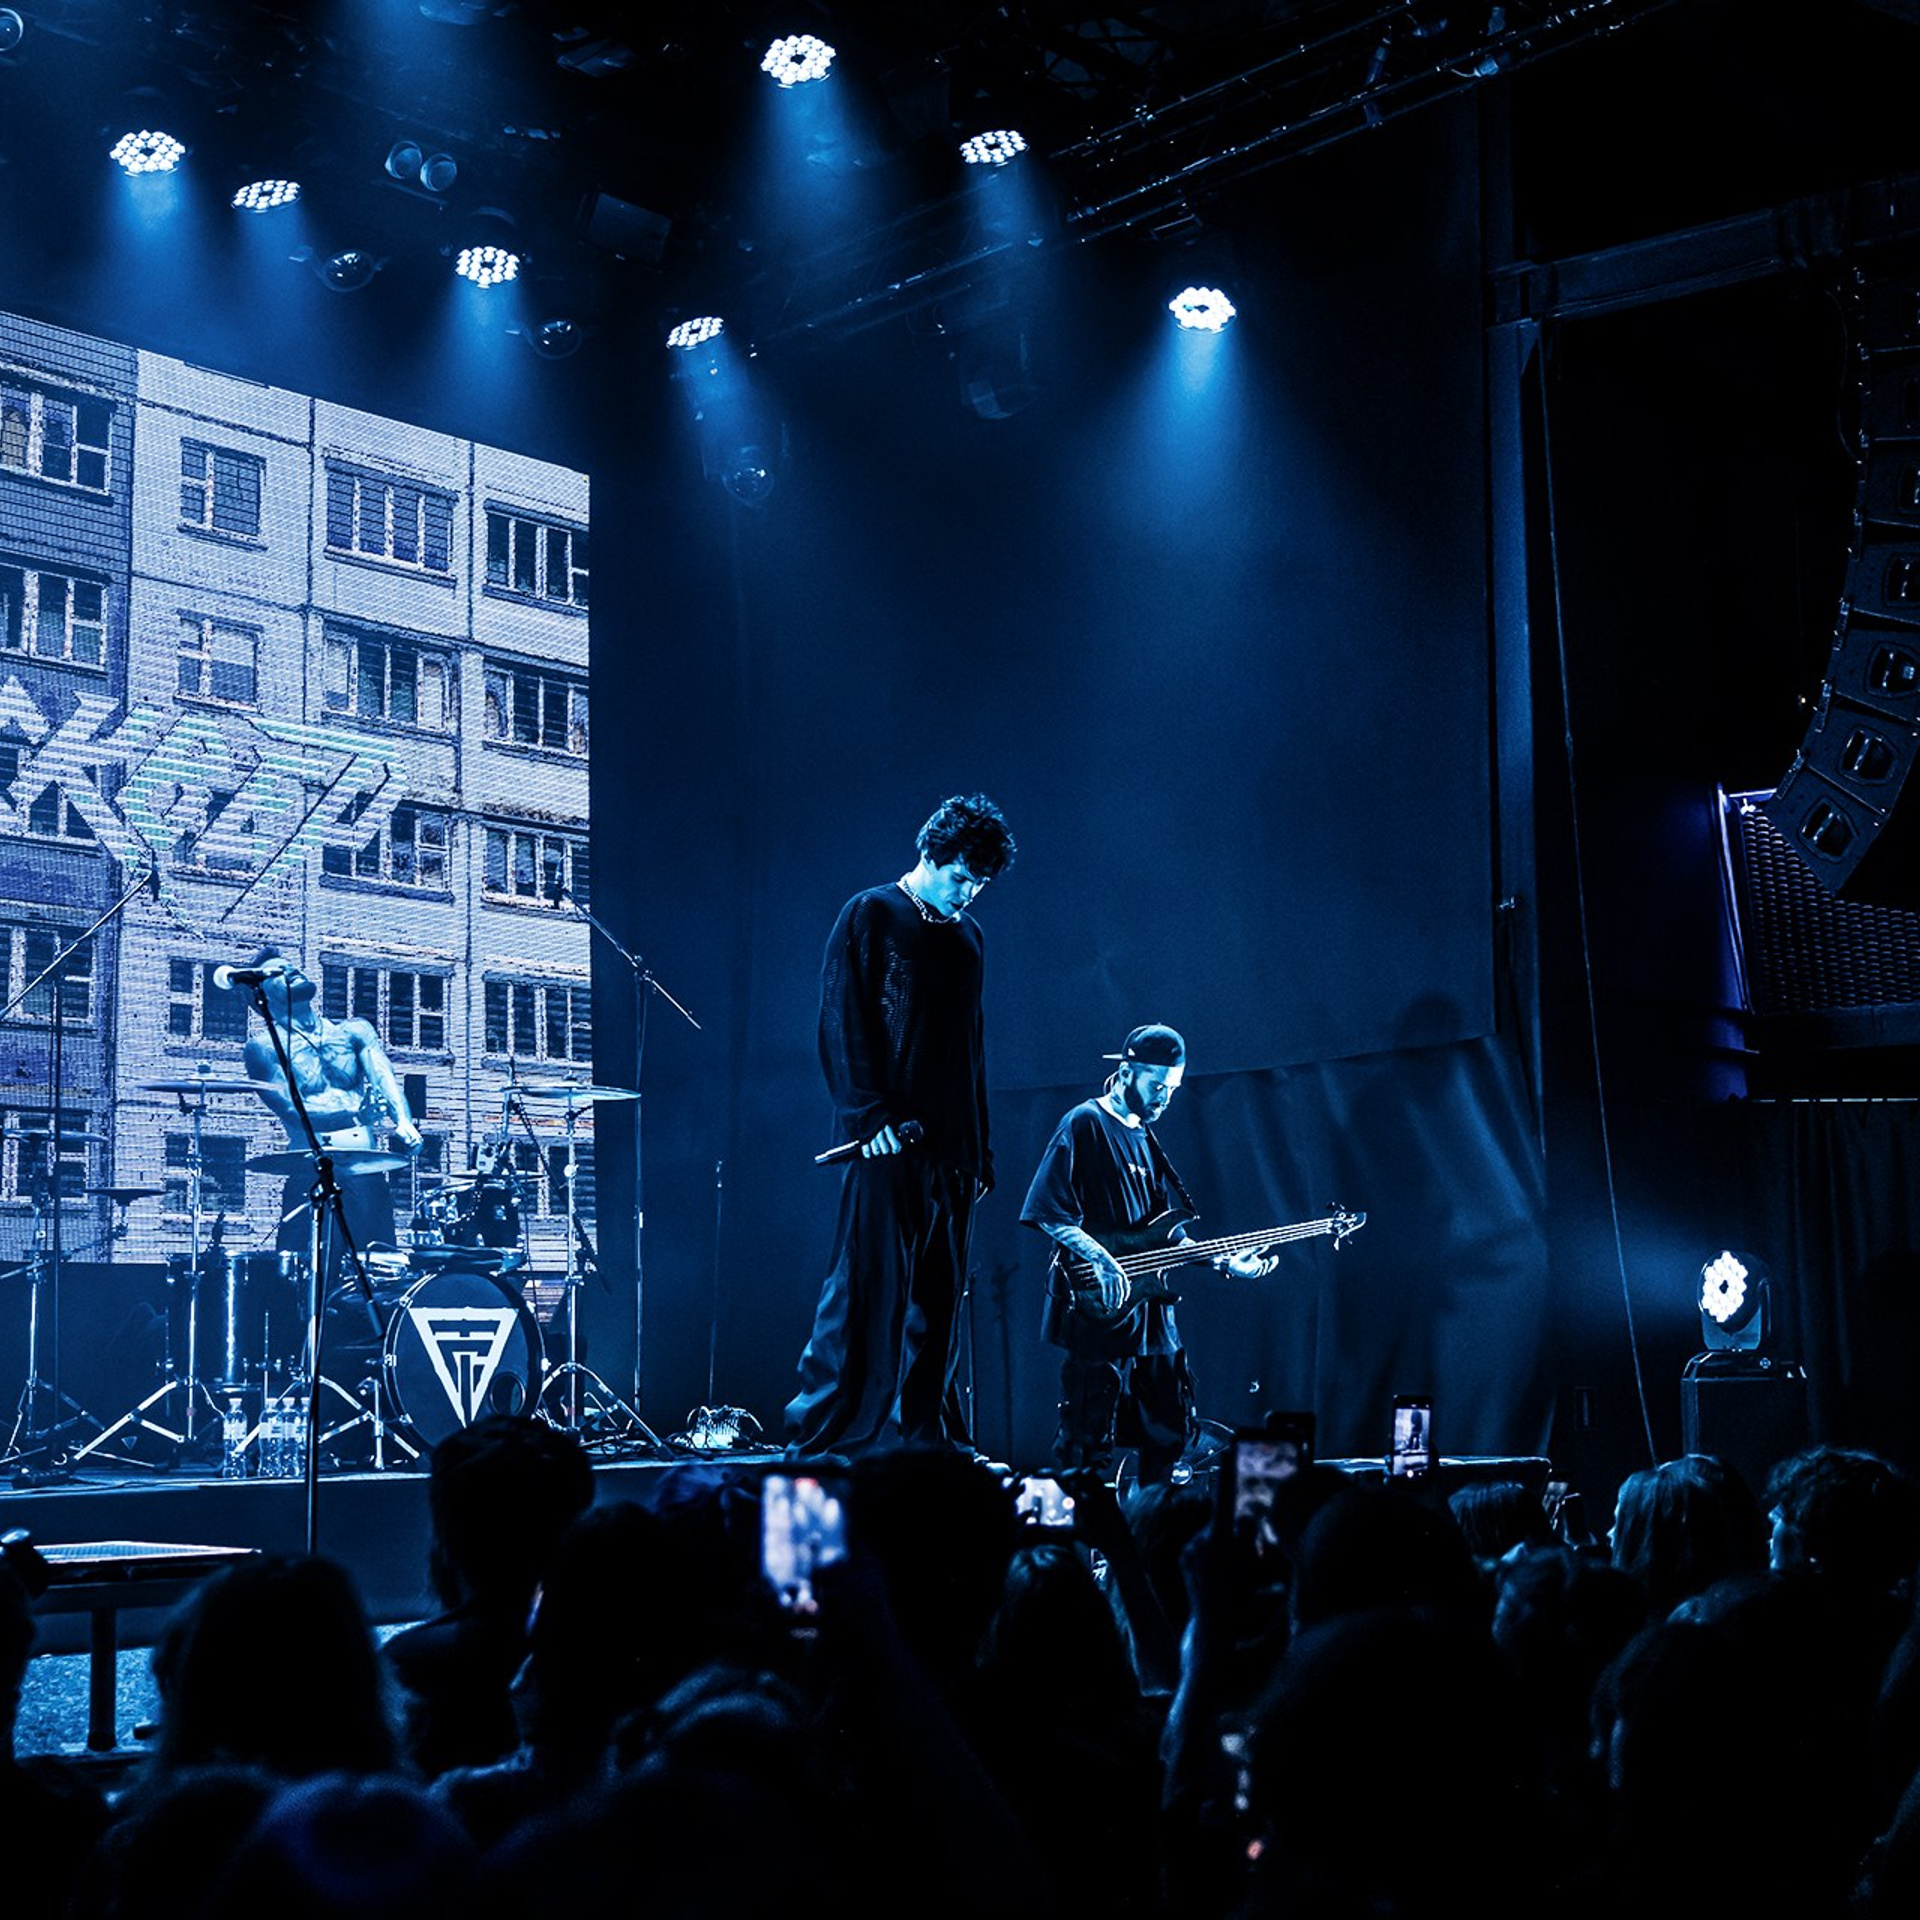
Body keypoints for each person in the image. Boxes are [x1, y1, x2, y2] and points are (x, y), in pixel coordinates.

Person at [785, 792, 1017, 1457]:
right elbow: (841, 1022)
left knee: (939, 1300)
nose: (969, 893)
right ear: (930, 855)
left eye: (980, 884)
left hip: (953, 1153)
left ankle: (925, 1434)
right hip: (885, 1144)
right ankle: (844, 1431)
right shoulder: (872, 913)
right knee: (870, 1289)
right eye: (962, 877)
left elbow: (972, 1051)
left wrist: (980, 1150)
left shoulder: (969, 939)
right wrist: (870, 1116)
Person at [1021, 1024, 1276, 1487]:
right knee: (1085, 1440)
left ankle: (1148, 1523)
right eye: (1157, 1086)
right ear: (1125, 1073)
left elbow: (1166, 1237)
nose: (1165, 1098)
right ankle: (1084, 1529)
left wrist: (1223, 1261)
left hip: (1150, 1314)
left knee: (1169, 1432)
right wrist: (1101, 1259)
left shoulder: (1145, 1139)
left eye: (1172, 1089)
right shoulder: (1084, 1123)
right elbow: (1047, 1211)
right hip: (1099, 1306)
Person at [237, 951, 422, 1288]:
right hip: (311, 1172)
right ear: (260, 996)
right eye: (277, 972)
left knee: (378, 1274)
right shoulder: (262, 1047)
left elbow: (385, 1078)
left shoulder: (355, 1031)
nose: (290, 970)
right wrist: (354, 1115)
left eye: (291, 966)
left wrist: (403, 1121)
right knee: (306, 1278)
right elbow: (293, 1112)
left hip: (365, 1171)